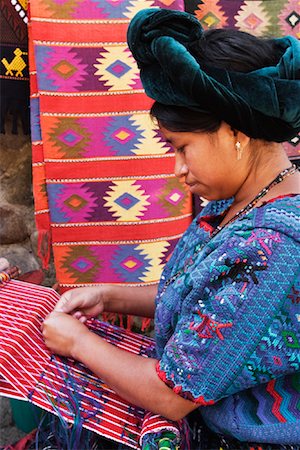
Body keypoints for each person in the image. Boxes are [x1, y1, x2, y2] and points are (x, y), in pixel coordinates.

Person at [42, 9, 300, 449]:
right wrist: (109, 296)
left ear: (234, 132)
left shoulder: (274, 250)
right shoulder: (242, 200)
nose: (178, 169)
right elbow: (206, 302)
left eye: (183, 148)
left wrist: (77, 342)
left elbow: (173, 395)